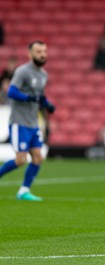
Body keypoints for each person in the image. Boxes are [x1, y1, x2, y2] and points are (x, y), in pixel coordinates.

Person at [0, 40, 55, 201]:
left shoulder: (43, 74)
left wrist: (47, 104)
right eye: (38, 51)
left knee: (38, 157)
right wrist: (31, 98)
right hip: (19, 123)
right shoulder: (22, 71)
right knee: (20, 160)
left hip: (33, 123)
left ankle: (24, 190)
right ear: (29, 54)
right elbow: (11, 92)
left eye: (44, 51)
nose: (42, 54)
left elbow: (39, 97)